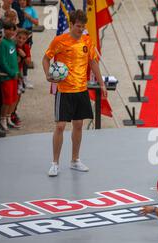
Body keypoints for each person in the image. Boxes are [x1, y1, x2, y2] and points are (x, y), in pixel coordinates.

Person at [43, 9, 106, 177]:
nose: (81, 29)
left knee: (78, 125)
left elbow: (93, 63)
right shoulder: (59, 41)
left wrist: (102, 84)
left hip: (81, 90)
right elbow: (46, 58)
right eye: (78, 26)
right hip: (64, 91)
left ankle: (75, 160)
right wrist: (48, 75)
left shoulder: (87, 40)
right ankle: (55, 163)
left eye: (83, 26)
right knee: (60, 126)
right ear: (71, 24)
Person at [0, 21, 19, 131]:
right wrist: (11, 73)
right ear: (4, 30)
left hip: (14, 76)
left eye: (12, 29)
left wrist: (17, 72)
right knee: (7, 100)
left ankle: (8, 117)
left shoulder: (12, 42)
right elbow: (3, 61)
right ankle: (2, 119)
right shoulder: (2, 43)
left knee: (14, 99)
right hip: (7, 76)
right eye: (8, 29)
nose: (10, 31)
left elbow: (14, 60)